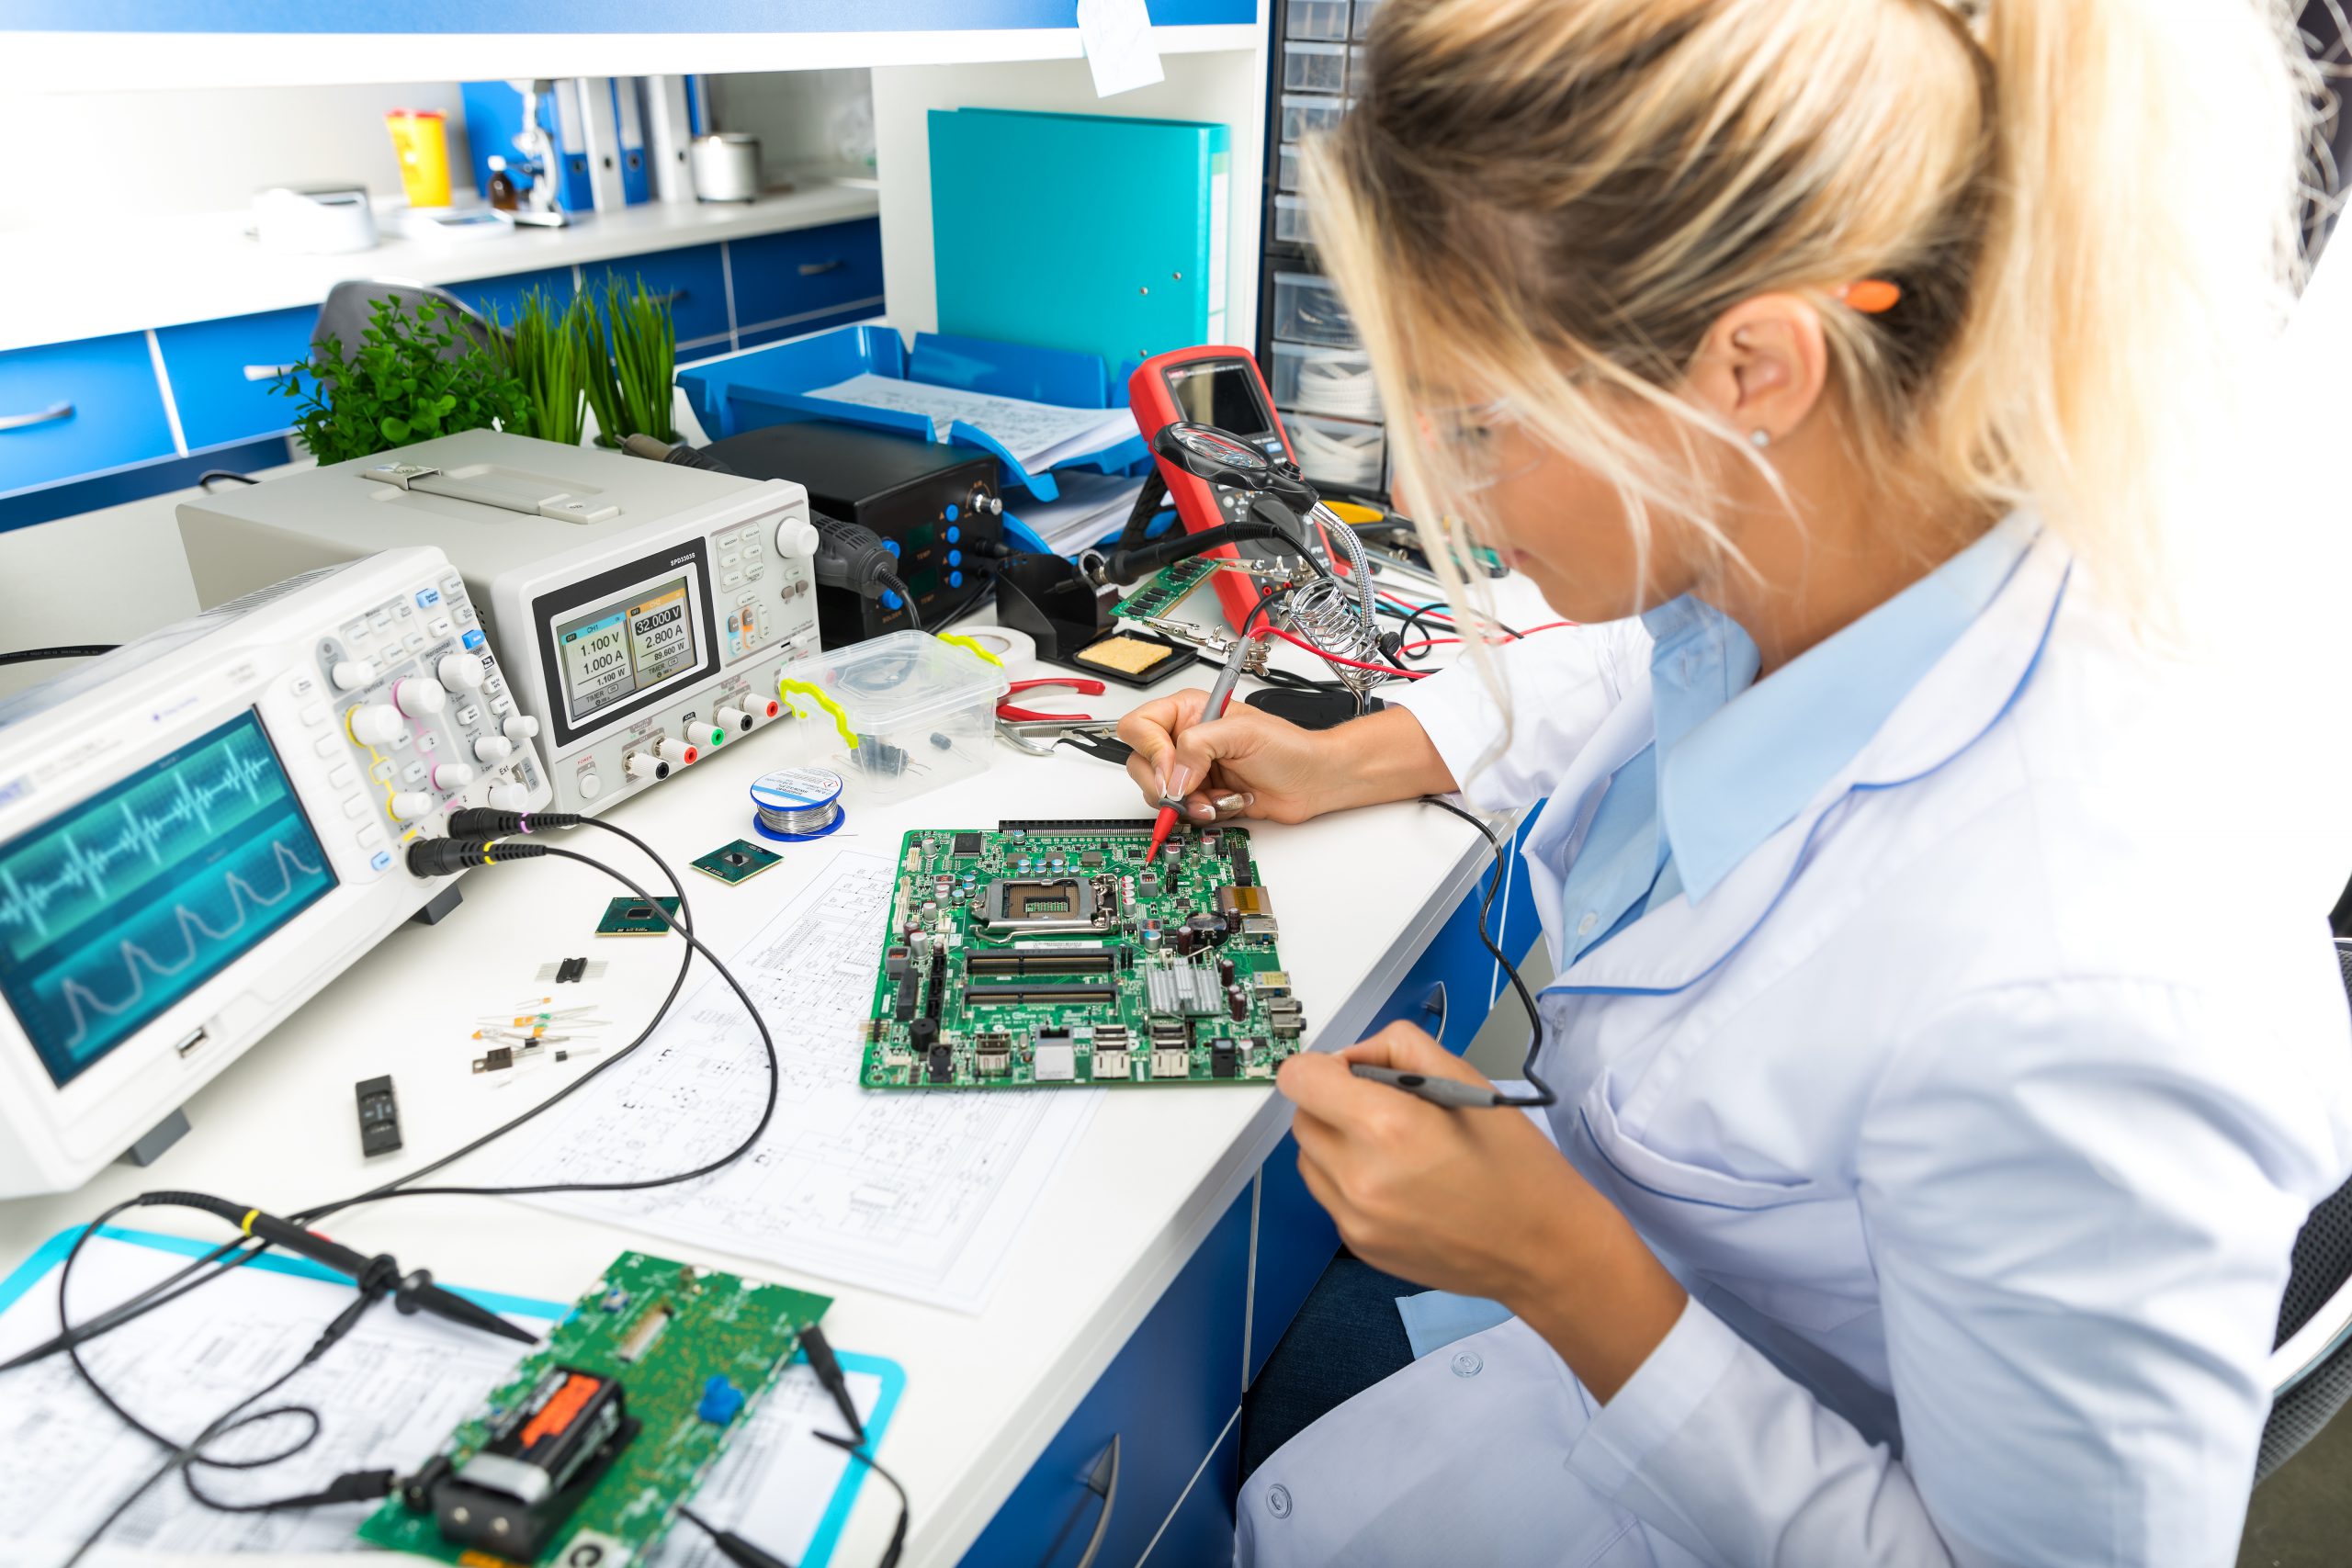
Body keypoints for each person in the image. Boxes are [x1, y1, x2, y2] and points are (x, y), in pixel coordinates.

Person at [1114, 0, 2352, 1562]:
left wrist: (1567, 1268)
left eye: (1477, 424)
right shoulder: (1870, 542)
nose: (1429, 496)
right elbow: (1646, 672)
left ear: (1752, 368)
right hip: (1554, 1385)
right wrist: (1346, 754)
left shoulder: (2085, 984)